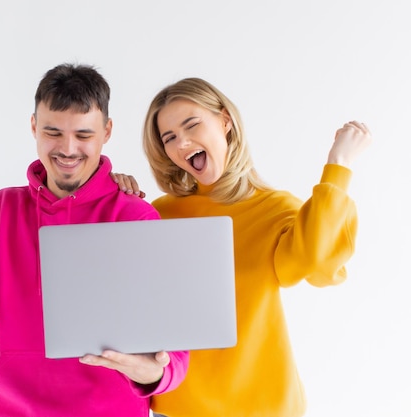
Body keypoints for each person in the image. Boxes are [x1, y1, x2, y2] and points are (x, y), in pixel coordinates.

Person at [0, 63, 189, 417]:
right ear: (33, 126)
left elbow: (175, 336)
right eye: (53, 132)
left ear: (107, 131)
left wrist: (158, 373)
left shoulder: (134, 217)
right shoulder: (1, 210)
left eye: (84, 134)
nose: (68, 148)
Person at [114, 77, 372, 417]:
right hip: (178, 406)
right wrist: (111, 194)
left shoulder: (276, 209)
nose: (182, 143)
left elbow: (316, 263)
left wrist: (338, 165)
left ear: (225, 120)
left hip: (263, 406)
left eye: (192, 125)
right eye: (169, 138)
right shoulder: (159, 214)